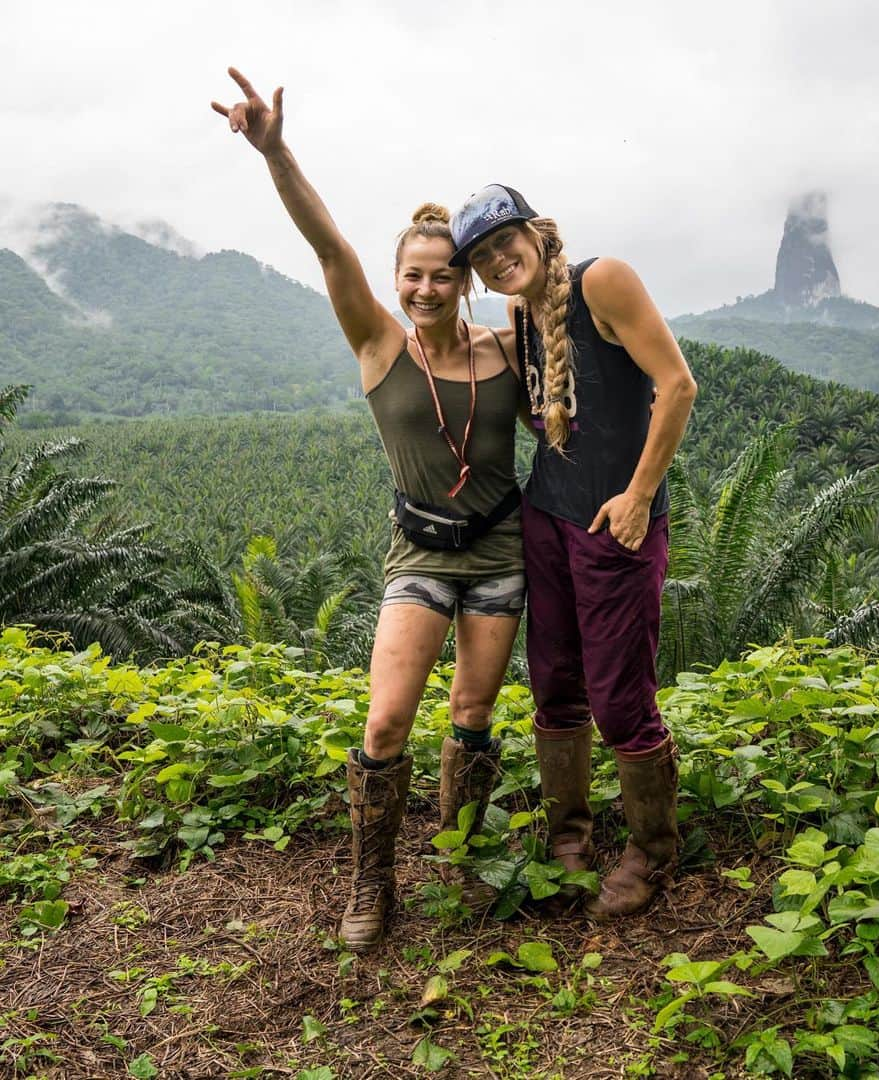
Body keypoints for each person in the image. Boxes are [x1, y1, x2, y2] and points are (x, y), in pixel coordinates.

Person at [212, 72, 525, 951]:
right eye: (412, 276)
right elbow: (327, 245)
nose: (426, 289)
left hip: (502, 551)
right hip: (420, 556)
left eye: (442, 276)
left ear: (465, 282)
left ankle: (459, 857)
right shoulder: (378, 340)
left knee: (472, 714)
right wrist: (275, 153)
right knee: (387, 721)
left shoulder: (506, 348)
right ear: (396, 280)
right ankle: (372, 881)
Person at [449, 185, 697, 920]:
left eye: (505, 241)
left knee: (621, 696)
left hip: (615, 522)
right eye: (482, 256)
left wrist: (640, 495)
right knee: (555, 682)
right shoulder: (522, 314)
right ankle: (570, 839)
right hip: (549, 516)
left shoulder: (601, 281)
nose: (498, 260)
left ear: (536, 231)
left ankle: (654, 850)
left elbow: (676, 385)